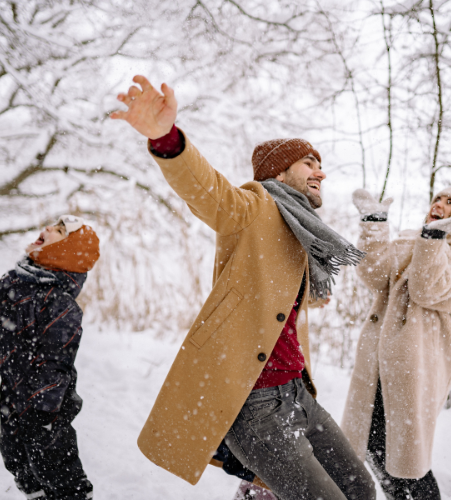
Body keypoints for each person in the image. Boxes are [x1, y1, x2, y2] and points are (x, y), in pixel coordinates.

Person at [110, 75, 375, 500]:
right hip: (256, 404)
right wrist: (167, 139)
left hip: (296, 393)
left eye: (319, 163)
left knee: (360, 488)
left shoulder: (302, 230)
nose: (320, 171)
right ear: (279, 171)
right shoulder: (254, 208)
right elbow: (208, 191)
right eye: (308, 163)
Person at [341, 187, 451, 499]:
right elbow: (374, 274)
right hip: (378, 360)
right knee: (372, 444)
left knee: (405, 457)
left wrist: (433, 241)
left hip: (416, 363)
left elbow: (424, 290)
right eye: (438, 199)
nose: (440, 205)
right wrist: (374, 224)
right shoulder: (409, 238)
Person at [0, 215, 100, 500]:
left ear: (66, 252)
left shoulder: (60, 304)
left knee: (56, 466)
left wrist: (42, 414)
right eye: (53, 224)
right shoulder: (13, 283)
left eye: (60, 231)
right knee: (16, 458)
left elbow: (55, 364)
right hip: (12, 395)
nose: (48, 228)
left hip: (48, 407)